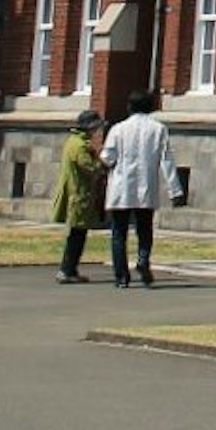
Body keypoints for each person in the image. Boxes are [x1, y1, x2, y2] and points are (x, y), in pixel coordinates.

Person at [101, 89, 172, 288]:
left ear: (129, 107)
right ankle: (142, 259)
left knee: (119, 233)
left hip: (121, 187)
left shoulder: (118, 129)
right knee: (145, 229)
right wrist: (175, 189)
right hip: (146, 186)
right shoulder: (159, 129)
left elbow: (108, 157)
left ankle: (121, 276)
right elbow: (167, 159)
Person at [52, 109, 105, 284]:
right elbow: (90, 168)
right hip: (79, 195)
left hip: (78, 194)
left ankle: (70, 269)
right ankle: (67, 269)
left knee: (77, 234)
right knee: (77, 235)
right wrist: (100, 159)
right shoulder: (80, 145)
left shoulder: (73, 142)